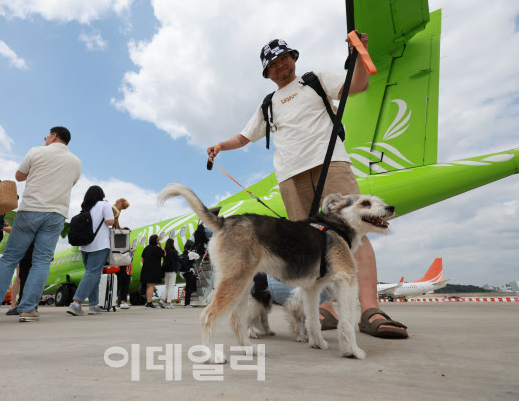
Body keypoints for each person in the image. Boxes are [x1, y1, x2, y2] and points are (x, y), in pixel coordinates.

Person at [206, 36, 408, 339]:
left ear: (293, 57)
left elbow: (358, 85)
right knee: (309, 244)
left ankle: (369, 309)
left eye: (283, 58)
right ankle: (326, 309)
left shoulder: (315, 80)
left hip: (331, 163)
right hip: (290, 176)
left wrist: (359, 55)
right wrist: (220, 146)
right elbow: (244, 137)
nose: (279, 66)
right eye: (272, 64)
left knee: (354, 235)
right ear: (267, 72)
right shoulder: (268, 105)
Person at [0, 126, 81, 323]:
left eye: (47, 136)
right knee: (41, 261)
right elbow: (70, 184)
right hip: (56, 214)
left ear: (53, 136)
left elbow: (19, 176)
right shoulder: (76, 162)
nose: (46, 138)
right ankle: (28, 309)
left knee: (9, 259)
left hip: (30, 209)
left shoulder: (36, 151)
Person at [66, 186, 115, 316]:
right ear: (101, 194)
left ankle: (94, 305)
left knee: (94, 274)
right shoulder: (104, 204)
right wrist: (114, 216)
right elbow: (110, 222)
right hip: (99, 245)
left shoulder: (86, 207)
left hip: (84, 246)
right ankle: (76, 303)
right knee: (92, 273)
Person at [140, 235, 164, 309]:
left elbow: (142, 259)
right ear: (155, 241)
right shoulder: (156, 248)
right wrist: (161, 245)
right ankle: (149, 303)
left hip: (145, 269)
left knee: (148, 286)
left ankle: (148, 302)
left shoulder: (146, 248)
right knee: (151, 286)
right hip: (153, 269)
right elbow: (164, 253)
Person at [179, 240, 200, 308]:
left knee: (188, 286)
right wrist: (194, 252)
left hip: (183, 273)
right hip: (189, 272)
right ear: (191, 248)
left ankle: (188, 300)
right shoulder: (191, 253)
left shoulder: (183, 254)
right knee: (189, 288)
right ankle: (187, 303)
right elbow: (198, 256)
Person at [160, 238, 179, 308]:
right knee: (171, 287)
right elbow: (178, 259)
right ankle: (169, 302)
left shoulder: (165, 252)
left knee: (166, 286)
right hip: (172, 270)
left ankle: (162, 300)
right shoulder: (173, 252)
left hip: (166, 271)